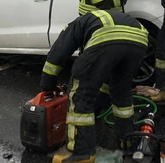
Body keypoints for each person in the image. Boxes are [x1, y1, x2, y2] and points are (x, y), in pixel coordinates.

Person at [40, 10, 149, 163]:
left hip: (107, 36)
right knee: (121, 89)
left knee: (80, 92)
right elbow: (102, 78)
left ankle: (82, 153)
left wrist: (47, 84)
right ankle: (127, 138)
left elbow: (57, 54)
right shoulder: (96, 19)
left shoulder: (74, 26)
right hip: (140, 39)